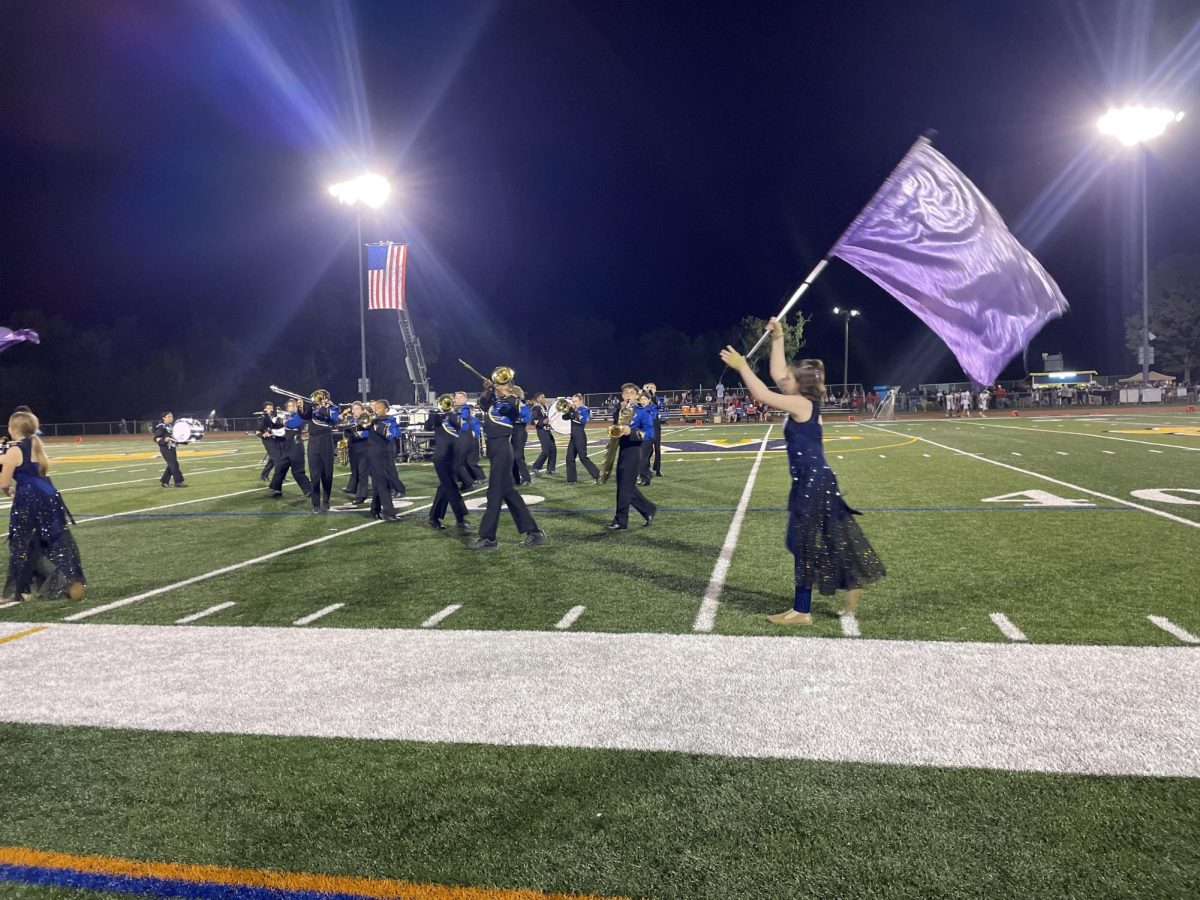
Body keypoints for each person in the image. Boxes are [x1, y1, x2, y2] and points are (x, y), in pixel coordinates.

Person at [720, 319, 884, 625]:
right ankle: (847, 579)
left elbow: (763, 394)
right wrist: (778, 338)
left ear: (799, 385)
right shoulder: (803, 401)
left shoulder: (800, 403)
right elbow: (775, 373)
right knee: (800, 542)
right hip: (810, 481)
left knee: (803, 543)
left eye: (789, 379)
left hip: (814, 482)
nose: (784, 380)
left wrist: (743, 366)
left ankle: (802, 610)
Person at [1, 411, 86, 602]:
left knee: (20, 544)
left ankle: (31, 588)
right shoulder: (36, 445)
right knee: (43, 541)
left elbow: (4, 483)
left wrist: (10, 491)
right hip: (49, 495)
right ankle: (57, 581)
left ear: (13, 428)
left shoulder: (14, 450)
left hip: (29, 499)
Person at [469, 376, 545, 550]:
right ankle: (534, 533)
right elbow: (482, 403)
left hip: (503, 448)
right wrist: (488, 389)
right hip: (494, 450)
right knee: (509, 493)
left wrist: (508, 393)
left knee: (494, 493)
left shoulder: (514, 404)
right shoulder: (494, 404)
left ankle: (488, 537)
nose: (499, 388)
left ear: (510, 389)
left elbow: (522, 413)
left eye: (503, 385)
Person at [606, 384, 658, 531]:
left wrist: (633, 432)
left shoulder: (642, 412)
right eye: (625, 392)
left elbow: (649, 433)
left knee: (624, 488)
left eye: (631, 392)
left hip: (634, 451)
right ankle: (649, 509)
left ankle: (620, 521)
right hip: (622, 450)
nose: (628, 395)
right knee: (624, 486)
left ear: (637, 396)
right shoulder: (619, 411)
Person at [427, 397, 473, 532]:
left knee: (445, 488)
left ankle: (434, 517)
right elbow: (428, 426)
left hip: (453, 457)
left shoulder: (455, 416)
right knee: (451, 488)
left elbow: (461, 426)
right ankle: (460, 518)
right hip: (442, 458)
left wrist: (450, 413)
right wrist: (434, 414)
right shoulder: (437, 418)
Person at [299, 393, 339, 512]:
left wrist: (323, 407)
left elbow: (333, 418)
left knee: (327, 474)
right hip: (313, 441)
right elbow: (305, 416)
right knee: (314, 474)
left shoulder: (333, 408)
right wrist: (301, 407)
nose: (319, 400)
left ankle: (326, 501)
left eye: (322, 398)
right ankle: (315, 503)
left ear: (327, 399)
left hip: (326, 440)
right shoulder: (311, 408)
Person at [267, 400, 313, 499]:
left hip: (296, 447)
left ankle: (308, 490)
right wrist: (273, 419)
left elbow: (291, 424)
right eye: (289, 406)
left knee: (297, 471)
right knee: (280, 467)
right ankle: (276, 489)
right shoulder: (286, 416)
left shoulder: (300, 415)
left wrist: (281, 419)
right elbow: (276, 428)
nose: (291, 407)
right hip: (286, 446)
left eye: (293, 405)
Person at [564, 393, 600, 484]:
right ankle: (571, 480)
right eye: (572, 401)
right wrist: (568, 411)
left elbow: (583, 420)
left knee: (583, 457)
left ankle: (598, 475)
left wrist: (573, 412)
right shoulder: (572, 410)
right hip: (573, 437)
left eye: (575, 401)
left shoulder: (585, 409)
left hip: (580, 436)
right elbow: (564, 417)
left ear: (581, 401)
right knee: (569, 458)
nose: (573, 403)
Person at [152, 412, 187, 488]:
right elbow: (157, 438)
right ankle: (178, 481)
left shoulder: (172, 427)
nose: (171, 418)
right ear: (164, 418)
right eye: (169, 416)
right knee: (174, 464)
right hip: (165, 449)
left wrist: (186, 440)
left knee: (172, 465)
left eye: (172, 416)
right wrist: (165, 440)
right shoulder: (161, 427)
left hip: (172, 448)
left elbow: (176, 438)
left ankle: (164, 481)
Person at [529, 392, 558, 476]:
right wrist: (543, 422)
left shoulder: (544, 406)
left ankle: (551, 469)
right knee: (545, 451)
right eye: (542, 397)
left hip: (547, 431)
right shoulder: (536, 408)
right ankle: (536, 467)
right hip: (541, 431)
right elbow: (533, 421)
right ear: (538, 399)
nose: (544, 399)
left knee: (553, 449)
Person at [510, 384, 532, 486]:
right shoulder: (510, 404)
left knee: (518, 456)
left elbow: (527, 419)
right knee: (512, 457)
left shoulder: (523, 404)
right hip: (512, 431)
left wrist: (516, 418)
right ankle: (515, 479)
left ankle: (527, 478)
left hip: (519, 431)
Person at [257, 402, 284, 482]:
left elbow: (278, 426)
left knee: (274, 457)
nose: (270, 409)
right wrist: (265, 432)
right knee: (276, 457)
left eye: (271, 408)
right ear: (265, 409)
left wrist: (281, 419)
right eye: (268, 408)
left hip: (275, 438)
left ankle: (264, 475)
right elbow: (260, 427)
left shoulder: (273, 417)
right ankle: (280, 476)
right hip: (267, 439)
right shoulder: (262, 417)